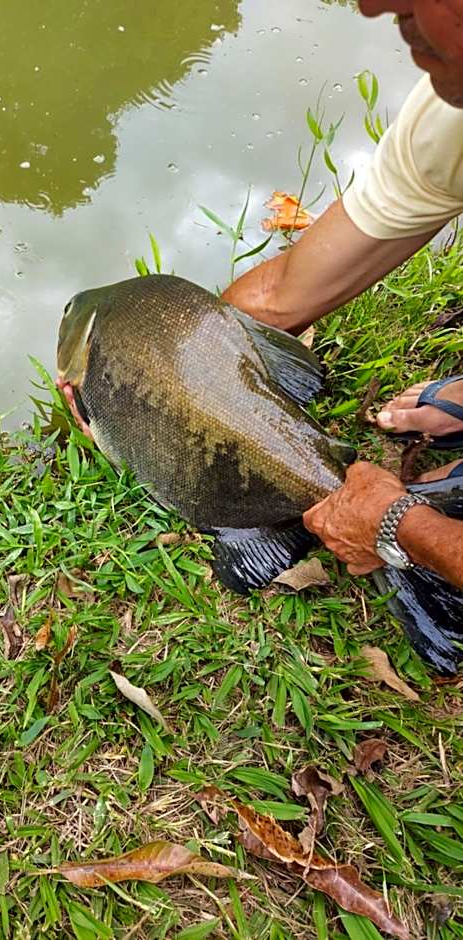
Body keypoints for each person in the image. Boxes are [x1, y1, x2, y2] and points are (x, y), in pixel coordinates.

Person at [223, 0, 463, 589]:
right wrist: (154, 361)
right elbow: (282, 292)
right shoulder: (448, 121)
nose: (372, 5)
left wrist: (404, 527)